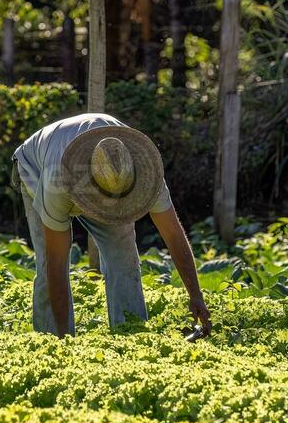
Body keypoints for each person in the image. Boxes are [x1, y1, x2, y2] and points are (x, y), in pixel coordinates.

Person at [13, 112, 212, 338]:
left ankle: (131, 335)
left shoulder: (143, 171)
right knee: (47, 267)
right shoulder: (56, 181)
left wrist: (196, 295)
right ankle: (51, 341)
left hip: (95, 173)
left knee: (124, 255)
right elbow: (56, 265)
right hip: (36, 169)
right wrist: (63, 345)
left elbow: (173, 234)